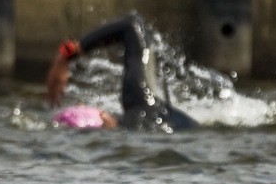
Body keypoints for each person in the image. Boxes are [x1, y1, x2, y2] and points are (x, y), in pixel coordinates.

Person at [46, 13, 198, 132]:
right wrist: (67, 54)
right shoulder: (140, 104)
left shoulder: (138, 122)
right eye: (82, 107)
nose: (81, 103)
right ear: (103, 118)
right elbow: (132, 25)